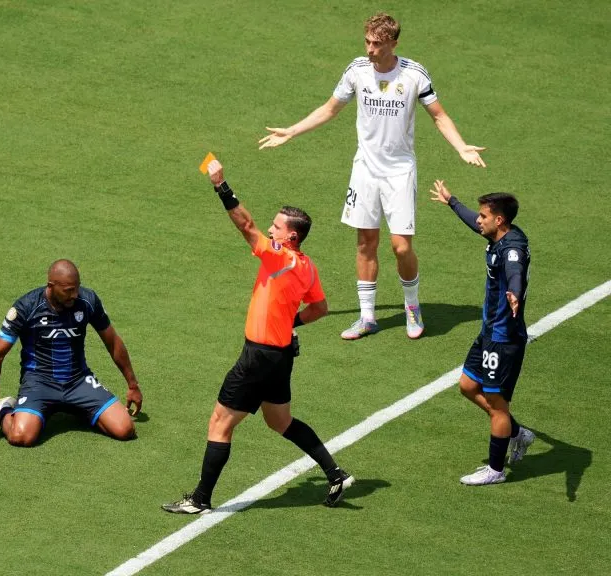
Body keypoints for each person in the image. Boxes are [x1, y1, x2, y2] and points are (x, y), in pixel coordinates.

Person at [259, 12, 487, 340]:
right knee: (366, 242)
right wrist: (291, 131)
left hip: (399, 172)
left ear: (393, 43)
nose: (370, 49)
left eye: (377, 44)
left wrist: (462, 146)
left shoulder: (414, 75)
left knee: (400, 247)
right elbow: (330, 109)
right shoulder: (357, 71)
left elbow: (439, 116)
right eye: (367, 41)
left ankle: (412, 307)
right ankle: (367, 317)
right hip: (364, 169)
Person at [162, 159, 353, 514]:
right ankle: (335, 472)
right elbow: (320, 308)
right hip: (279, 356)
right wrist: (289, 322)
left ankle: (200, 499)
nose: (270, 228)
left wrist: (221, 186)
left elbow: (246, 225)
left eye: (277, 227)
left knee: (219, 422)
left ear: (290, 237)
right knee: (280, 421)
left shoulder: (279, 258)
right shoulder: (307, 266)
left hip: (258, 357)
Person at [430, 181, 534, 485]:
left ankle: (496, 470)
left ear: (498, 220)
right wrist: (451, 201)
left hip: (505, 338)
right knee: (466, 385)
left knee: (497, 404)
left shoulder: (513, 249)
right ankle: (518, 433)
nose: (478, 220)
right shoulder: (498, 235)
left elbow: (515, 272)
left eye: (483, 216)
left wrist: (514, 292)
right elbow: (471, 223)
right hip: (488, 331)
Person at [0, 259, 143, 446]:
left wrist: (132, 385)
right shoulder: (27, 307)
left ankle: (81, 408)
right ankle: (5, 408)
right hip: (39, 381)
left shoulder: (87, 301)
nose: (75, 294)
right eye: (68, 290)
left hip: (78, 381)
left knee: (125, 429)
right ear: (51, 286)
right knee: (20, 436)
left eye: (76, 288)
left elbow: (112, 342)